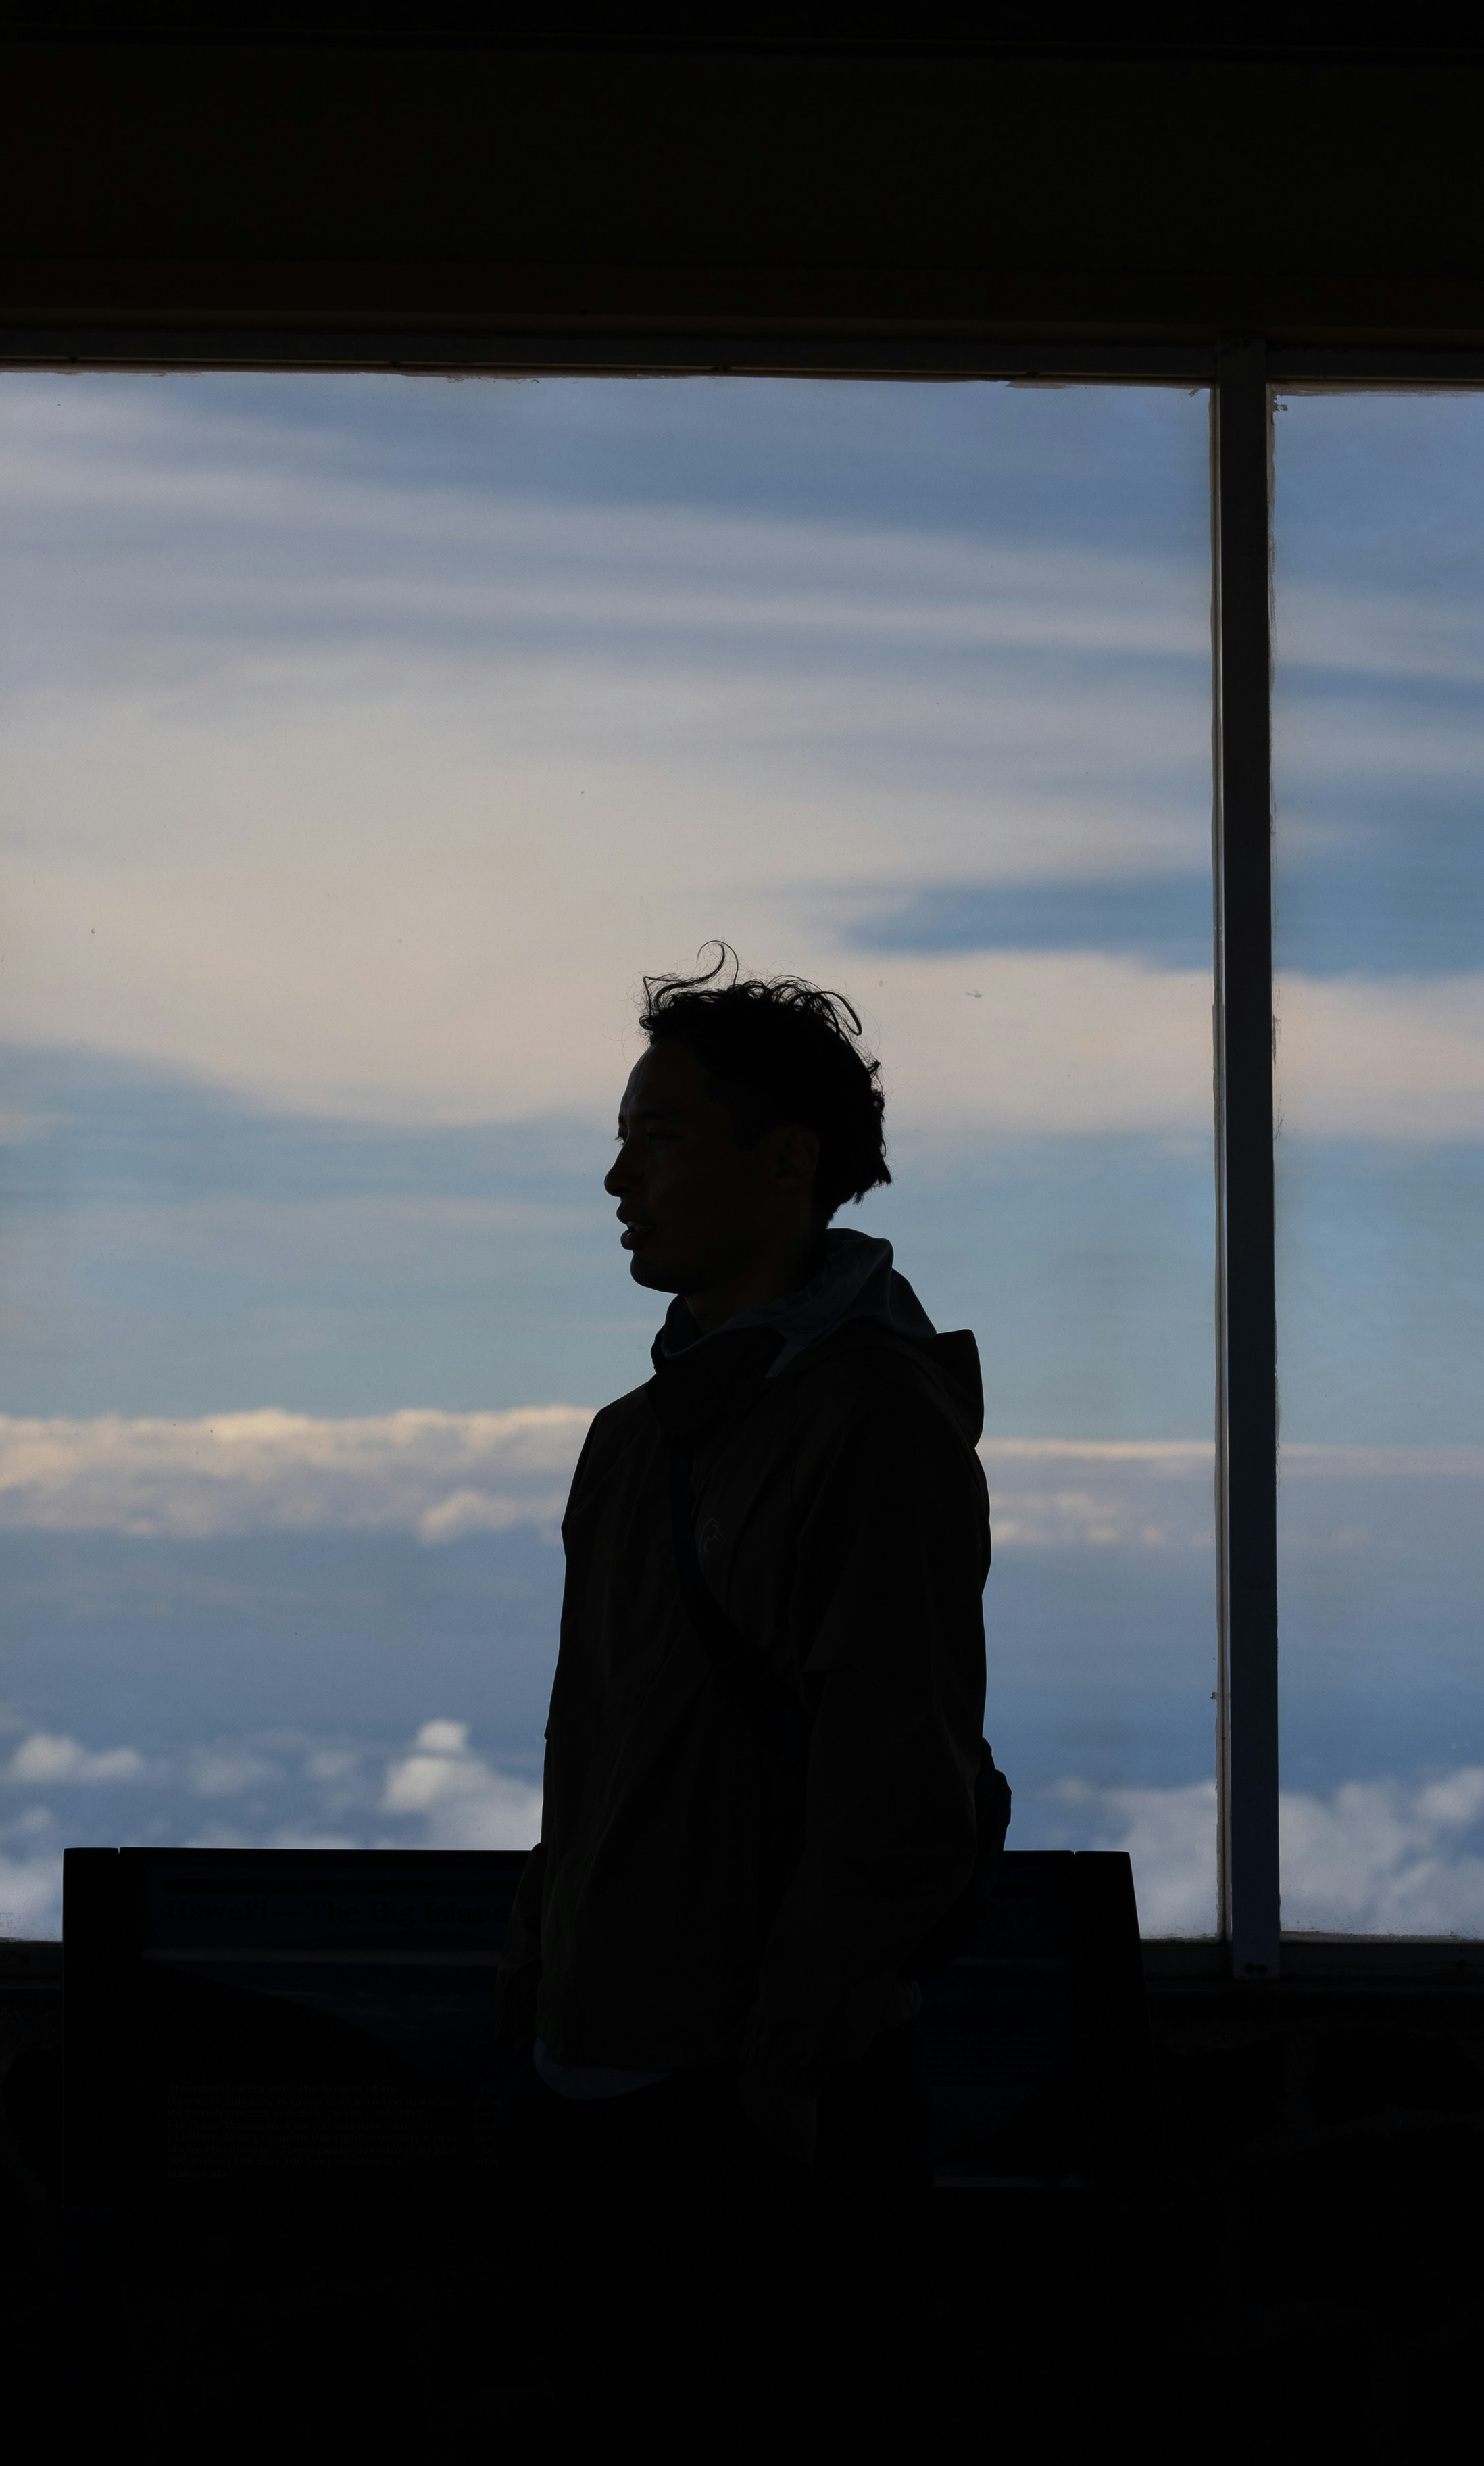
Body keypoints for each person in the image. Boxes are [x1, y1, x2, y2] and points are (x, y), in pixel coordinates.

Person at [498, 949, 1001, 2437]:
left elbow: (895, 1761)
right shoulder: (638, 1437)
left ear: (786, 1166)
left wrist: (789, 2055)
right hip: (603, 2062)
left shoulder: (869, 1430)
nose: (615, 1179)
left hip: (750, 2096)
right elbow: (592, 1738)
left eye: (657, 1137)